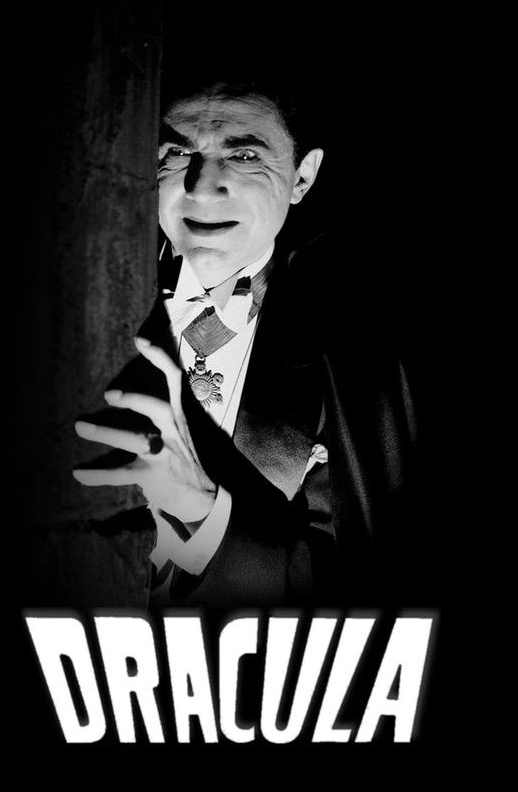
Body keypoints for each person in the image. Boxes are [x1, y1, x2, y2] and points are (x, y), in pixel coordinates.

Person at [73, 80, 423, 609]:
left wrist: (204, 514)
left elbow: (364, 589)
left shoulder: (360, 361)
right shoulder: (71, 301)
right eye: (177, 152)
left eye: (243, 155)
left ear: (302, 176)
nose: (201, 187)